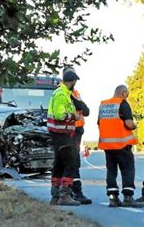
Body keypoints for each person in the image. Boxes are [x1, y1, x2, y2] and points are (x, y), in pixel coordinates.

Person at [98, 85, 144, 208]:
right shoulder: (122, 104)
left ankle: (113, 198)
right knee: (127, 170)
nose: (127, 97)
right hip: (122, 144)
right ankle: (128, 197)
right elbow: (129, 124)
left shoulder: (103, 105)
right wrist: (135, 125)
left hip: (108, 146)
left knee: (111, 171)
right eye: (127, 95)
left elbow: (99, 123)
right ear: (123, 93)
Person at [47, 71, 82, 206]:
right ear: (71, 81)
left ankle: (55, 195)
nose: (75, 85)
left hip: (58, 135)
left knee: (59, 165)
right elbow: (59, 115)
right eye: (75, 82)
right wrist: (74, 117)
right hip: (62, 135)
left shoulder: (60, 93)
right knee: (71, 164)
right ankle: (65, 195)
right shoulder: (62, 94)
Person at [62, 67, 92, 204]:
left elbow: (84, 110)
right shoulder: (65, 93)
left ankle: (68, 192)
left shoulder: (75, 92)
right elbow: (83, 109)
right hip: (70, 130)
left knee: (72, 163)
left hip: (76, 129)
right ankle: (74, 192)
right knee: (72, 163)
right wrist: (82, 107)